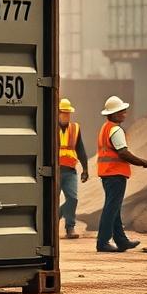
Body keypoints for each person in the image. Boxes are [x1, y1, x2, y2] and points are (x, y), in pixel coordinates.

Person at [96, 95, 147, 253]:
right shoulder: (116, 130)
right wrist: (143, 162)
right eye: (121, 111)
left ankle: (121, 241)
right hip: (115, 174)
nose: (124, 114)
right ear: (113, 114)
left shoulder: (105, 128)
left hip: (107, 173)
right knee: (111, 209)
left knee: (114, 208)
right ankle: (103, 242)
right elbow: (123, 153)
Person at [58, 98, 89, 239]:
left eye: (68, 113)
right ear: (57, 113)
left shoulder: (75, 128)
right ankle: (55, 224)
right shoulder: (50, 127)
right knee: (52, 200)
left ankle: (69, 226)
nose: (66, 116)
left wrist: (85, 169)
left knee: (73, 199)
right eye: (63, 113)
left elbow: (80, 149)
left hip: (70, 171)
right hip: (55, 171)